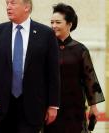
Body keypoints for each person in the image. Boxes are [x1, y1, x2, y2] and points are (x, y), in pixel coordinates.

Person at [0, 0, 60, 132]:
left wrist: (53, 105)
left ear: (27, 7)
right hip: (1, 106)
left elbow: (53, 72)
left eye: (13, 3)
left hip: (33, 106)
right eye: (7, 3)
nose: (8, 7)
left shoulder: (46, 34)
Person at [44, 3, 105, 133]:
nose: (53, 26)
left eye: (58, 22)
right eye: (52, 22)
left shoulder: (80, 49)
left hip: (75, 106)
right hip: (52, 105)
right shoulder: (46, 48)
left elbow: (90, 79)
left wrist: (93, 107)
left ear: (69, 24)